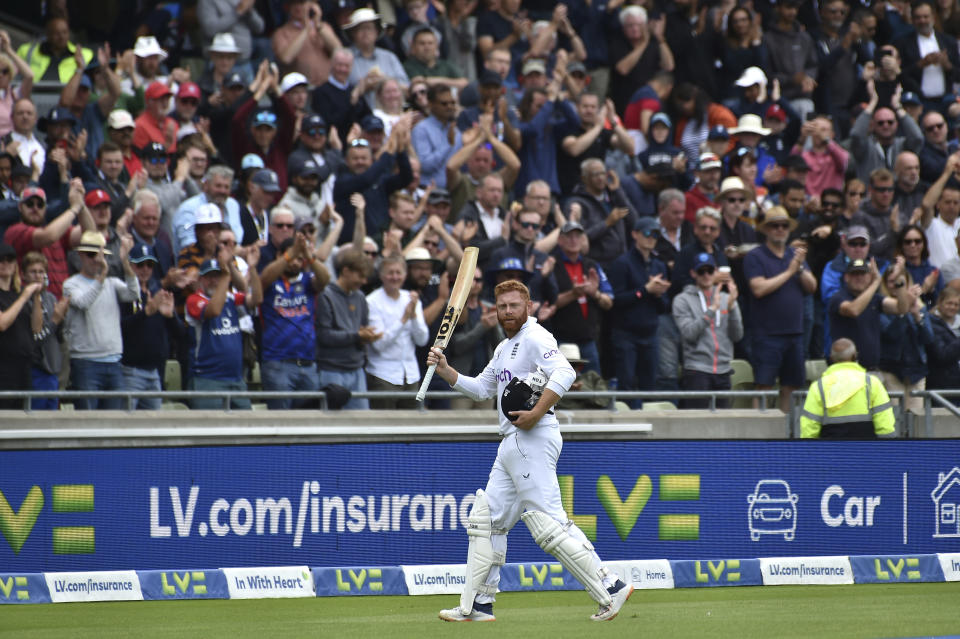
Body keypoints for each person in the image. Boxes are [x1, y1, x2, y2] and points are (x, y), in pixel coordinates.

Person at [426, 279, 633, 623]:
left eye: (514, 305)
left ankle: (609, 585)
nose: (508, 311)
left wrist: (537, 412)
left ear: (528, 307)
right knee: (487, 523)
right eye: (502, 306)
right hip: (511, 442)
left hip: (532, 436)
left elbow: (564, 372)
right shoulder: (504, 348)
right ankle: (479, 604)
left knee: (549, 523)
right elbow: (480, 389)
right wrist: (447, 371)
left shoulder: (536, 337)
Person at [745, 207, 817, 413]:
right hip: (766, 334)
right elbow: (758, 289)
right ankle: (759, 432)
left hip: (794, 333)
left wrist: (800, 268)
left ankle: (787, 434)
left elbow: (812, 287)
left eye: (784, 225)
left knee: (792, 387)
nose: (780, 229)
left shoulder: (795, 256)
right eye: (774, 225)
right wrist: (790, 271)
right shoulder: (755, 256)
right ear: (766, 229)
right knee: (763, 387)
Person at [62, 231, 140, 410]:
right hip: (86, 362)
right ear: (80, 255)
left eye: (100, 255)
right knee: (88, 423)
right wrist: (101, 276)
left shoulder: (111, 283)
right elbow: (83, 302)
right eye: (91, 255)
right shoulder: (70, 284)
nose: (96, 260)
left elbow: (134, 293)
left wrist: (126, 264)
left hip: (114, 362)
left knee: (114, 423)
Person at [259, 232, 329, 409]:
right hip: (277, 363)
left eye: (299, 259)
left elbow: (325, 279)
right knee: (281, 423)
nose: (295, 262)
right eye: (291, 257)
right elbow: (263, 279)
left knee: (310, 422)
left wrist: (308, 255)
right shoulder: (271, 280)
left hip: (307, 364)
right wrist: (291, 253)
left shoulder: (307, 281)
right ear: (279, 256)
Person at [185, 248, 262, 410]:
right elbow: (213, 310)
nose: (213, 280)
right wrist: (226, 277)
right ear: (200, 279)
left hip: (235, 379)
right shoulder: (194, 300)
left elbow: (257, 299)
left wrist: (253, 269)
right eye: (209, 276)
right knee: (211, 431)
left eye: (217, 276)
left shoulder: (231, 298)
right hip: (207, 380)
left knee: (246, 430)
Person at [607, 217, 670, 408]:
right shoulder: (622, 263)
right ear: (635, 234)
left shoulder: (659, 265)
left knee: (650, 387)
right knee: (626, 386)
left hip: (650, 334)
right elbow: (616, 300)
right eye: (648, 233)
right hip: (626, 334)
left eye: (656, 234)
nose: (652, 238)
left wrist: (658, 295)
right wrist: (645, 290)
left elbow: (665, 307)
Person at [673, 252, 744, 409]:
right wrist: (712, 310)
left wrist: (732, 308)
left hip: (724, 370)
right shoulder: (682, 300)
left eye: (710, 271)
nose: (706, 275)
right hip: (696, 371)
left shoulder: (726, 298)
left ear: (716, 272)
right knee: (699, 425)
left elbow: (737, 335)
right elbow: (689, 333)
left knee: (723, 424)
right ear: (693, 273)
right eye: (701, 271)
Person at [316, 248, 380, 409]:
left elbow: (362, 330)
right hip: (331, 370)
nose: (364, 281)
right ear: (345, 271)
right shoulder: (325, 295)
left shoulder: (360, 297)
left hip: (357, 369)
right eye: (360, 275)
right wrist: (358, 336)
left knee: (361, 426)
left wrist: (367, 336)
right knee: (331, 426)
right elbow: (324, 336)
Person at [365, 254, 429, 408]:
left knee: (411, 427)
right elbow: (379, 344)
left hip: (411, 375)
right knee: (384, 426)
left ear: (405, 275)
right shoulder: (371, 301)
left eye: (398, 272)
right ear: (381, 276)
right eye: (390, 273)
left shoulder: (411, 299)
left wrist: (413, 316)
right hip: (383, 375)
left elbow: (422, 340)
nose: (394, 277)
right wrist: (404, 319)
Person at [799, 338, 896, 439]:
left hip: (830, 451)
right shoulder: (871, 383)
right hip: (866, 450)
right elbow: (885, 424)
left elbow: (809, 428)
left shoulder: (818, 386)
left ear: (831, 358)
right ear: (855, 355)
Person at [121, 243, 179, 410]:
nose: (145, 269)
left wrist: (171, 317)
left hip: (154, 372)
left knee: (154, 430)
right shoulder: (123, 292)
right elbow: (120, 327)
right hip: (130, 371)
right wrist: (146, 312)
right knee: (125, 426)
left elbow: (181, 334)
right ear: (130, 265)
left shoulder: (157, 292)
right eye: (140, 264)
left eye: (149, 265)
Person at [878, 266, 934, 421]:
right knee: (894, 419)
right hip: (891, 370)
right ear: (884, 284)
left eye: (901, 281)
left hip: (916, 371)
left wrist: (917, 317)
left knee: (916, 420)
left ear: (909, 283)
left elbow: (929, 339)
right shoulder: (881, 306)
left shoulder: (920, 306)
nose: (896, 285)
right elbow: (890, 334)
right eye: (892, 282)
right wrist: (903, 311)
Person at [22, 251, 68, 410]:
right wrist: (55, 321)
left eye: (41, 272)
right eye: (33, 272)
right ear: (24, 275)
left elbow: (59, 337)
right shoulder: (22, 300)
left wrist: (61, 318)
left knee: (53, 421)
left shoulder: (50, 298)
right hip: (36, 370)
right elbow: (36, 339)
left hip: (53, 371)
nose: (37, 276)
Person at [0, 242, 40, 407]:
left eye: (10, 260)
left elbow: (36, 327)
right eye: (1, 260)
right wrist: (24, 297)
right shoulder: (21, 295)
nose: (5, 264)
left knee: (24, 414)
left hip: (24, 364)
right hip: (4, 365)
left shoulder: (18, 292)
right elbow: (2, 323)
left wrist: (36, 297)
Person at [927, 287, 960, 397]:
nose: (953, 307)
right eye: (949, 303)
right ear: (940, 302)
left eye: (956, 304)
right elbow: (942, 354)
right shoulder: (931, 323)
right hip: (942, 384)